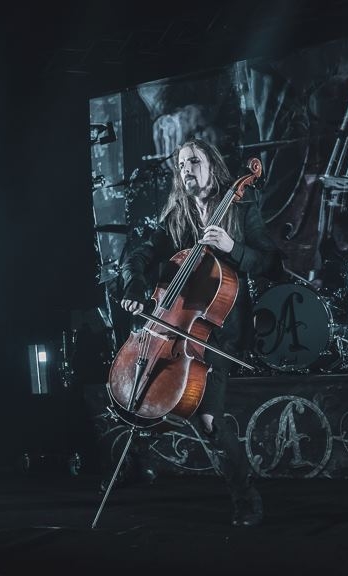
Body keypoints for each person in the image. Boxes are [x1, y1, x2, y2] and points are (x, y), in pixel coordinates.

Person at [119, 139, 278, 527]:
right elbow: (140, 255)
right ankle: (137, 465)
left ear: (212, 165)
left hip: (220, 329)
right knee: (156, 400)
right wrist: (134, 285)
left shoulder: (241, 205)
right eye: (180, 164)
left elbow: (270, 262)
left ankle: (246, 498)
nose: (186, 169)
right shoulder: (178, 213)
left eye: (193, 161)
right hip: (176, 326)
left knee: (208, 419)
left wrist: (231, 247)